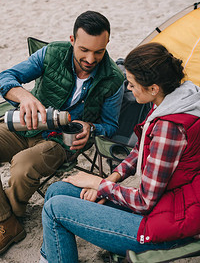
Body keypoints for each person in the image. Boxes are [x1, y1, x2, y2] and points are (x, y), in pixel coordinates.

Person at [40, 42, 200, 263]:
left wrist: (99, 185)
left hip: (162, 228)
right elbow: (140, 148)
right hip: (165, 207)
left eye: (132, 84)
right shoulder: (171, 99)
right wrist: (111, 178)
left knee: (55, 210)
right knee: (58, 191)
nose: (128, 87)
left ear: (153, 88)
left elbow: (144, 202)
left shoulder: (170, 127)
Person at [0, 11, 124, 254]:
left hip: (63, 143)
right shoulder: (52, 53)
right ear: (72, 40)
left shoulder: (114, 79)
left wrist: (93, 127)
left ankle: (9, 219)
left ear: (107, 44)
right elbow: (6, 77)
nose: (90, 58)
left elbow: (111, 125)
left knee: (23, 165)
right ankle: (7, 220)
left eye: (98, 52)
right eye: (84, 50)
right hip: (27, 127)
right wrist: (24, 97)